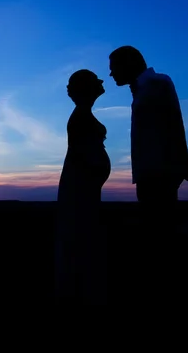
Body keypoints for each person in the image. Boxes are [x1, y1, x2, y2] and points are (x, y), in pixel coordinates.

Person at [108, 45, 188, 300]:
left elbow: (174, 122)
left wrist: (182, 160)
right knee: (154, 230)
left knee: (160, 233)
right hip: (149, 172)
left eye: (114, 67)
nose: (111, 73)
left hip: (159, 171)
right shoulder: (141, 89)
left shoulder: (158, 84)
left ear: (128, 63)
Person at [55, 69, 111, 305]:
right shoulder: (80, 117)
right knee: (79, 241)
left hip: (85, 190)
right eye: (95, 79)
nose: (101, 80)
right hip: (80, 191)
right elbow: (83, 157)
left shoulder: (82, 115)